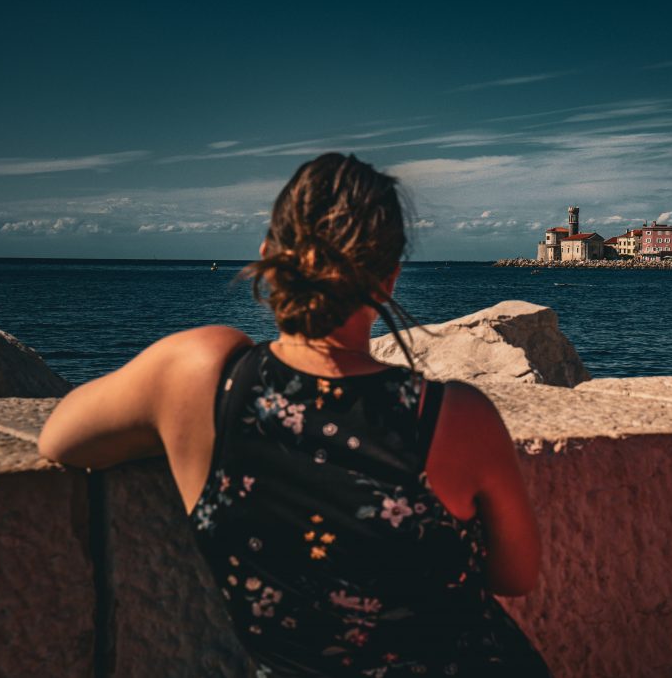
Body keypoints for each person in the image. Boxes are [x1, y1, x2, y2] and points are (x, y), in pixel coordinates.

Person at [39, 153, 551, 677]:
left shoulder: (199, 376)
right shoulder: (451, 416)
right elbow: (515, 575)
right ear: (390, 279)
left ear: (268, 256)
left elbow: (60, 439)